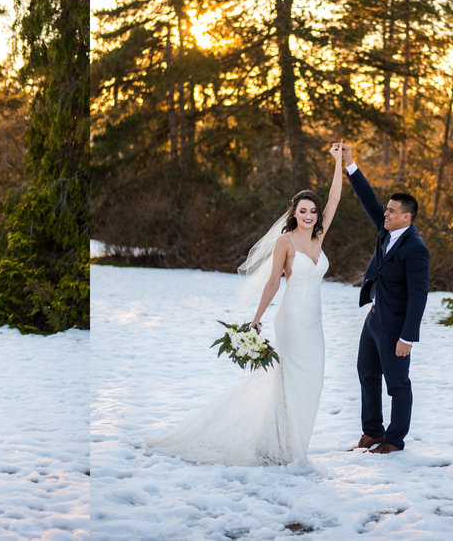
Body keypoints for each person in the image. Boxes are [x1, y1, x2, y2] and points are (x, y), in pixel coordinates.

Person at [147, 143, 345, 465]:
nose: (309, 216)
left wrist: (338, 161)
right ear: (293, 214)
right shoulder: (286, 241)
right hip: (292, 321)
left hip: (315, 325)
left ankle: (292, 444)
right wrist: (255, 321)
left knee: (312, 382)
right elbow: (272, 282)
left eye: (313, 211)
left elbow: (335, 197)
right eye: (303, 211)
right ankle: (279, 448)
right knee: (289, 382)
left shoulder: (318, 238)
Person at [341, 143, 430, 455]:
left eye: (392, 211)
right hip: (375, 319)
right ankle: (372, 432)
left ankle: (394, 440)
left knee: (397, 384)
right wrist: (350, 164)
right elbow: (369, 199)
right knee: (366, 373)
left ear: (406, 217)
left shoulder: (416, 249)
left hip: (396, 327)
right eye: (387, 209)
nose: (385, 213)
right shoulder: (385, 230)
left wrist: (408, 336)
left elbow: (419, 296)